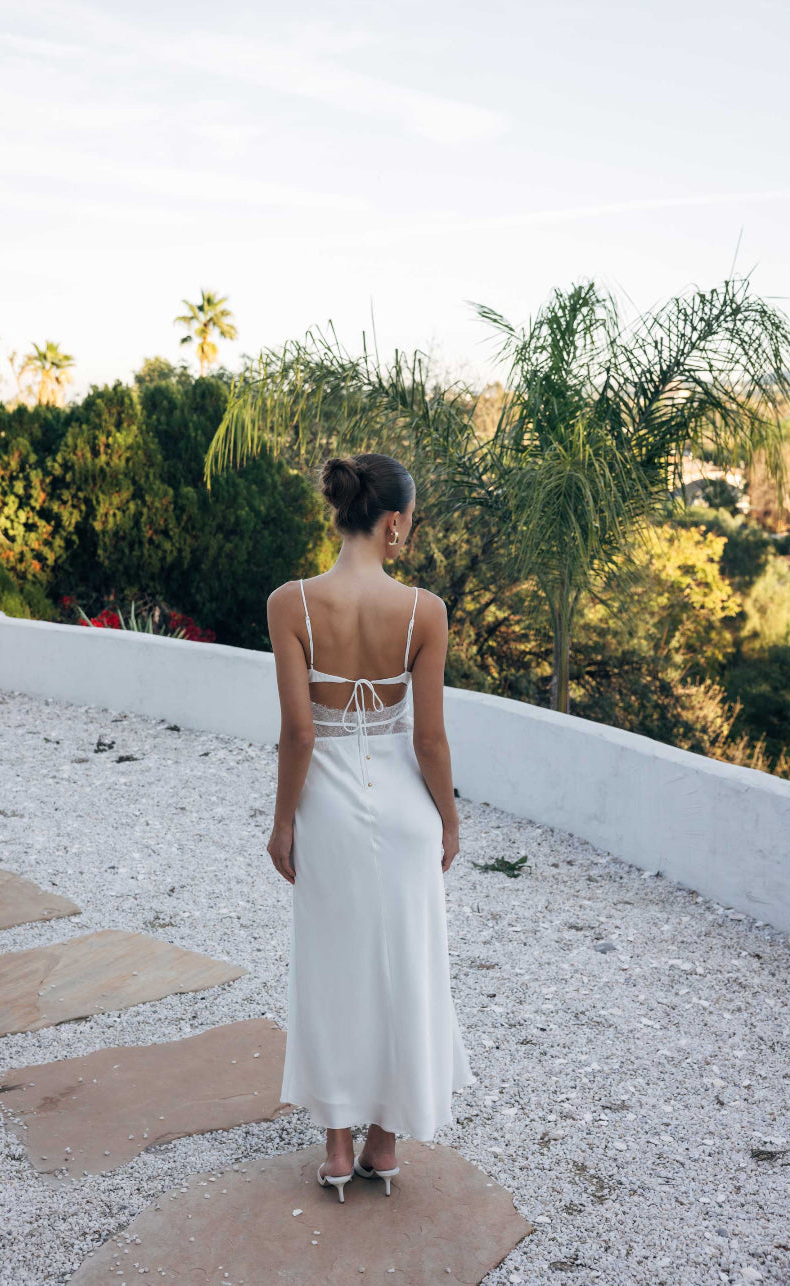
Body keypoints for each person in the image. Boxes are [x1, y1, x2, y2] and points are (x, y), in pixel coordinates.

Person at [266, 452, 475, 1202]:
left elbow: (299, 734)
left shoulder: (289, 604)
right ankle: (384, 1142)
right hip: (404, 807)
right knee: (405, 965)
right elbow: (430, 739)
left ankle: (335, 1144)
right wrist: (448, 819)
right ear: (392, 523)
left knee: (331, 967)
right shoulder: (425, 612)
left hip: (326, 807)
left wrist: (282, 823)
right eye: (408, 522)